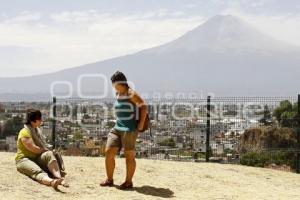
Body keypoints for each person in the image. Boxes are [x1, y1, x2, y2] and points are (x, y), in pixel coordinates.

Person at [100, 71, 147, 190]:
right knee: (109, 151)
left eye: (115, 84)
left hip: (129, 129)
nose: (113, 86)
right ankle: (109, 179)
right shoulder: (117, 93)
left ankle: (128, 182)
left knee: (129, 155)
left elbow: (143, 106)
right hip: (117, 127)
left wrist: (140, 125)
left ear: (121, 83)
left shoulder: (131, 93)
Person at [15, 109, 68, 189]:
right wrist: (45, 150)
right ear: (33, 121)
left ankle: (59, 177)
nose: (41, 121)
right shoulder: (24, 132)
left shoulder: (37, 131)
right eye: (39, 119)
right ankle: (51, 182)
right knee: (37, 171)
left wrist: (49, 151)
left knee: (50, 154)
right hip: (24, 160)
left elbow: (42, 148)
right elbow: (33, 148)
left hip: (36, 158)